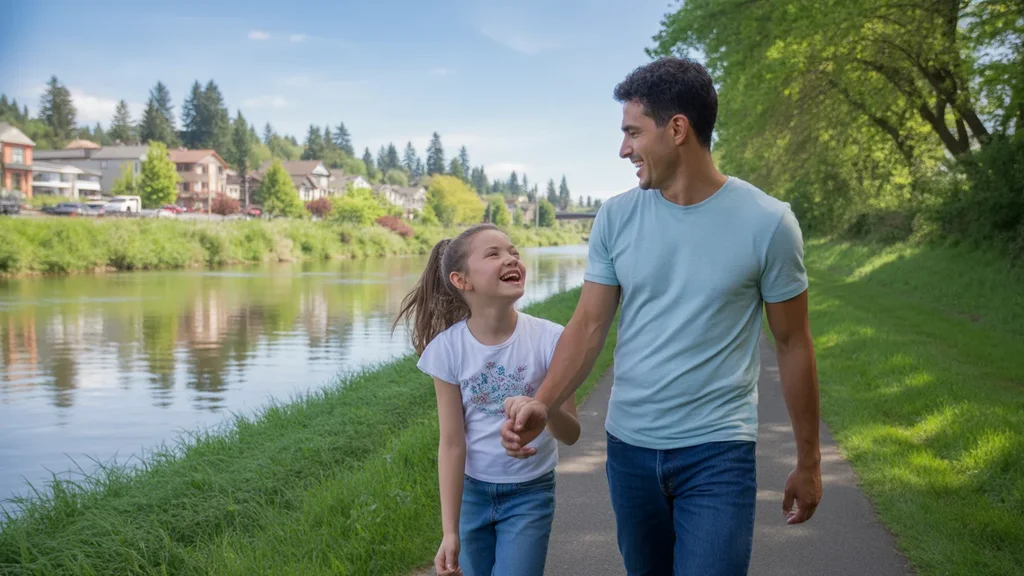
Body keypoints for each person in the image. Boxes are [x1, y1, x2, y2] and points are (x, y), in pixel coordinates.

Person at [501, 57, 823, 575]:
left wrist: (809, 461)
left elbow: (793, 344)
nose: (623, 148)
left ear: (677, 130)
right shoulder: (616, 216)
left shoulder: (768, 223)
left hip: (718, 451)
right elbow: (588, 326)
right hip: (629, 452)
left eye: (632, 132)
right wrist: (544, 401)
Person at [394, 223, 581, 576]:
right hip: (472, 495)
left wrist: (543, 406)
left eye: (513, 252)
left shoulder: (551, 338)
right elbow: (451, 444)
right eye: (494, 254)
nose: (511, 259)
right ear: (462, 280)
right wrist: (449, 532)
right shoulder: (447, 349)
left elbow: (570, 434)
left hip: (530, 494)